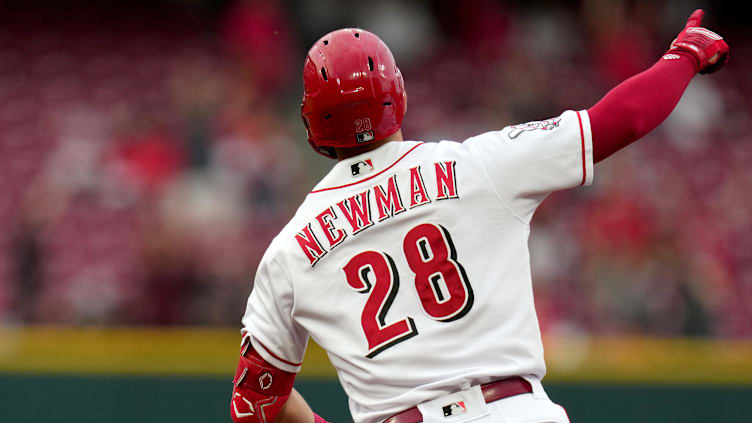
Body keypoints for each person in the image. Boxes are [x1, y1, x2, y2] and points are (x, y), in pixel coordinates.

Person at [229, 9, 728, 423]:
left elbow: (254, 403)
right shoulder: (478, 165)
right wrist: (685, 56)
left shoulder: (289, 251)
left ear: (312, 120)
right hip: (516, 411)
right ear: (397, 95)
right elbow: (622, 120)